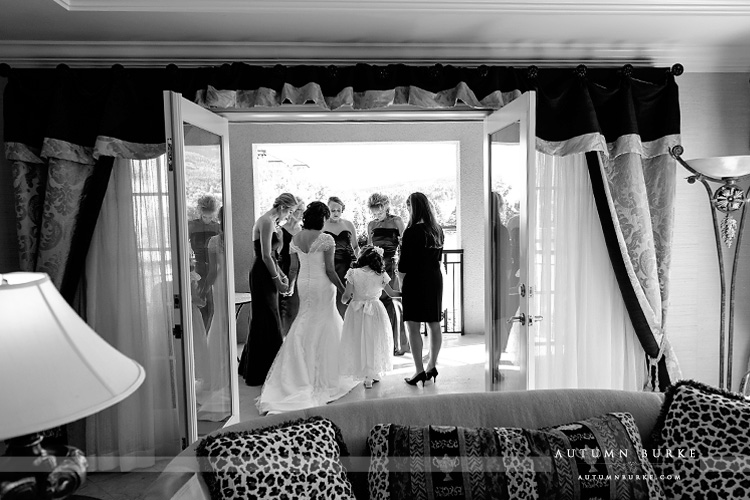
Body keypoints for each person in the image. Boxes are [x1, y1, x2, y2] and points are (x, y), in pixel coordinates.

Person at [256, 201, 358, 415]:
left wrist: (290, 287)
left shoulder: (296, 238)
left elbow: (293, 268)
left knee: (305, 320)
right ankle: (324, 375)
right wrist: (342, 290)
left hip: (304, 284)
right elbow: (330, 271)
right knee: (326, 321)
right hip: (322, 286)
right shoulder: (326, 239)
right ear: (321, 218)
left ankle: (298, 372)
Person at [238, 193, 295, 386]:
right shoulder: (266, 222)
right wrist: (276, 279)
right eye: (290, 211)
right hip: (262, 274)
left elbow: (273, 255)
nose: (290, 216)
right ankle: (260, 371)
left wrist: (282, 274)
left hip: (269, 271)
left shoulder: (272, 223)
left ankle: (255, 366)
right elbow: (264, 255)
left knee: (268, 317)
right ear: (283, 207)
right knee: (266, 318)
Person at [399, 192, 445, 387]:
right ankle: (432, 366)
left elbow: (403, 265)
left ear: (413, 208)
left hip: (415, 281)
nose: (407, 210)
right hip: (434, 279)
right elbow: (438, 259)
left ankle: (419, 370)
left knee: (413, 326)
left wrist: (402, 285)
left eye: (408, 206)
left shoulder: (411, 232)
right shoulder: (438, 229)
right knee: (434, 323)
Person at [339, 246, 399, 389]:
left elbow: (346, 296)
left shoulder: (353, 273)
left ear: (362, 258)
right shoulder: (381, 274)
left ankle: (365, 374)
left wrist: (345, 301)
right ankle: (372, 373)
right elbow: (392, 293)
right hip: (376, 310)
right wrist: (407, 293)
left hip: (356, 310)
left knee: (359, 340)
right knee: (374, 340)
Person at [198, 206, 232, 421]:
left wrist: (203, 288)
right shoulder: (234, 238)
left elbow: (213, 271)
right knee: (224, 321)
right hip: (230, 280)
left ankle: (218, 371)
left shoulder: (214, 241)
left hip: (219, 283)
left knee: (219, 321)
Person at [367, 193, 409, 356]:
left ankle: (399, 344)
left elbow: (405, 245)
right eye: (374, 213)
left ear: (385, 207)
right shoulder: (371, 224)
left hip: (393, 266)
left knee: (395, 304)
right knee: (380, 304)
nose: (376, 216)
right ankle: (383, 343)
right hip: (377, 267)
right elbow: (370, 249)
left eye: (379, 212)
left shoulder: (397, 221)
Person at [323, 196, 360, 318]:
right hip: (331, 266)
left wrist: (357, 262)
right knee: (333, 299)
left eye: (338, 210)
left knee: (350, 298)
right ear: (327, 210)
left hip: (349, 266)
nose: (336, 213)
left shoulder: (348, 224)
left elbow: (356, 247)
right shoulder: (322, 225)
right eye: (333, 210)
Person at [188, 195, 220, 331]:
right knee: (200, 305)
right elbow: (183, 248)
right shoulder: (191, 225)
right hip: (198, 268)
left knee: (213, 307)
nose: (208, 220)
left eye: (210, 217)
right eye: (205, 216)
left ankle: (208, 339)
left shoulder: (218, 227)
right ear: (200, 212)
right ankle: (198, 339)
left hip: (215, 268)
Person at [278, 197, 306, 336]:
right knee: (287, 309)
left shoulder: (303, 230)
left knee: (300, 310)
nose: (302, 213)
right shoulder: (281, 231)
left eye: (303, 210)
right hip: (285, 270)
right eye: (300, 210)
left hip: (303, 272)